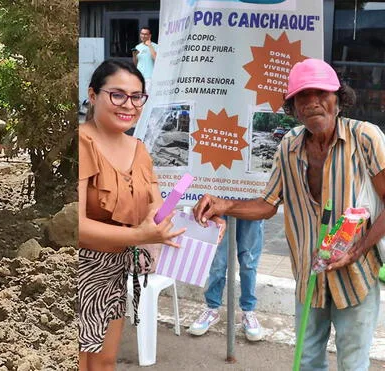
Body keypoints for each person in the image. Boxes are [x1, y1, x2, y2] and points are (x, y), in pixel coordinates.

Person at [193, 58, 384, 370]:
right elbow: (268, 205)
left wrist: (357, 250)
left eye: (320, 93)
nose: (312, 104)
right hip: (308, 276)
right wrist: (224, 205)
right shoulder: (289, 146)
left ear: (338, 97)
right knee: (308, 361)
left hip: (356, 276)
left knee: (352, 363)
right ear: (293, 107)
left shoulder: (364, 138)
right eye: (302, 97)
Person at [78, 59, 223, 370]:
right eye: (117, 95)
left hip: (114, 269)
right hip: (79, 269)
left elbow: (156, 208)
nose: (128, 105)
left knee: (104, 361)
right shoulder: (81, 143)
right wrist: (137, 235)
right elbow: (76, 225)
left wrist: (197, 221)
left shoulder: (139, 149)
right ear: (92, 95)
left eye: (136, 96)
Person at [188, 218, 265, 341]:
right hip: (221, 207)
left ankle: (248, 311)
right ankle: (212, 309)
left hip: (251, 207)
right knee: (218, 262)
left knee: (248, 263)